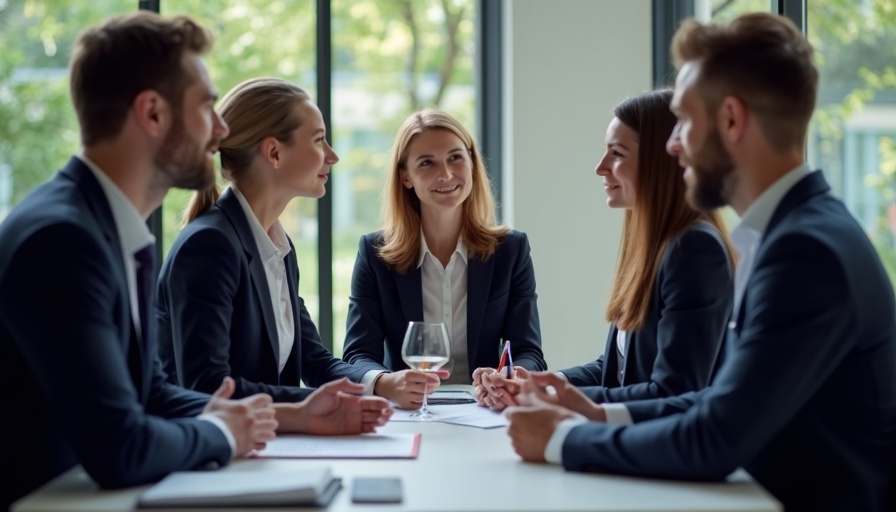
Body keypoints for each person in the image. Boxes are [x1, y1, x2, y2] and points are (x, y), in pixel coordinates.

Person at [505, 12, 896, 512]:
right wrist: (595, 414)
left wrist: (561, 440)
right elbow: (723, 403)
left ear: (731, 120)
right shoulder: (790, 233)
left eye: (684, 121)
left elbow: (715, 438)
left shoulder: (805, 253)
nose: (672, 144)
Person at [0, 13, 279, 511]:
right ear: (152, 113)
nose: (222, 128)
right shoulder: (62, 240)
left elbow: (150, 393)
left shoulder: (107, 225)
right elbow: (119, 447)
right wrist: (219, 432)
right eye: (207, 107)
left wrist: (286, 416)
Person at [157, 77, 392, 433]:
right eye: (318, 140)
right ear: (274, 152)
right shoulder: (210, 246)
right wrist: (306, 407)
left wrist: (383, 384)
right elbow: (207, 389)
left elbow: (314, 361)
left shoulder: (277, 245)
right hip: (208, 456)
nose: (332, 155)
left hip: (261, 444)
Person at [476, 89, 735, 411]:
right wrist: (533, 383)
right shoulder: (653, 247)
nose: (600, 167)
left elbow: (673, 392)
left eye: (617, 153)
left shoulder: (694, 250)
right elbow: (614, 371)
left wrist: (551, 398)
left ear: (662, 160)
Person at [342, 109, 547, 409]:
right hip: (407, 412)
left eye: (455, 158)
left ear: (472, 164)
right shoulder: (375, 254)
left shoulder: (510, 250)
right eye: (427, 163)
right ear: (405, 177)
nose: (446, 174)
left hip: (484, 412)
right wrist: (387, 383)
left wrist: (511, 376)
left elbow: (530, 351)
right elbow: (357, 355)